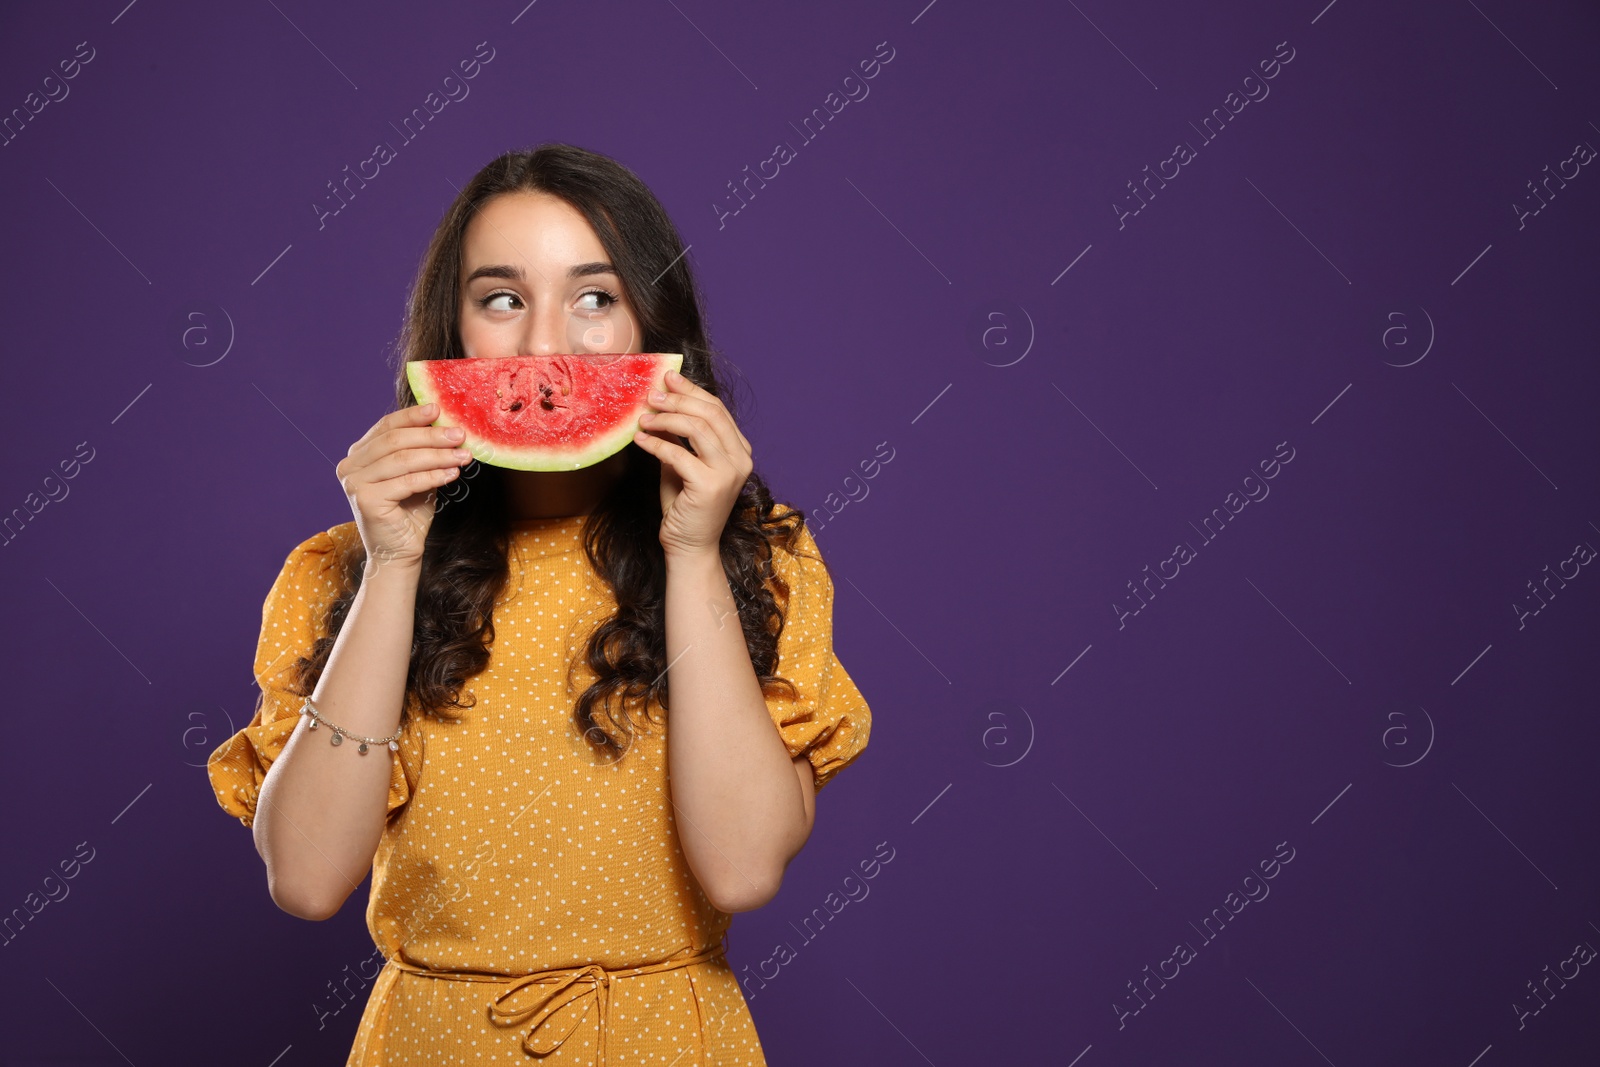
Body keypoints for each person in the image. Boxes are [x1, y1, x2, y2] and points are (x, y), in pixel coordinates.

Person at [206, 143, 873, 1065]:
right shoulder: (337, 571)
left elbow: (743, 865)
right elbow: (309, 878)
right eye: (503, 298)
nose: (545, 347)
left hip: (667, 1043)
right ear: (453, 333)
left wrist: (691, 550)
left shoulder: (763, 561)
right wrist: (394, 563)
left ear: (653, 323)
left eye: (594, 298)